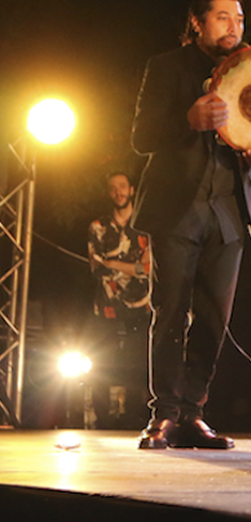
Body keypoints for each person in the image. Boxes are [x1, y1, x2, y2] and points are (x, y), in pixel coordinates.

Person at [132, 0, 251, 450]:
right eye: (221, 17)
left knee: (214, 319)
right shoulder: (167, 67)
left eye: (239, 18)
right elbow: (140, 137)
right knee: (170, 312)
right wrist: (186, 120)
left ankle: (193, 414)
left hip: (230, 211)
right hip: (178, 209)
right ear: (197, 22)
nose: (233, 26)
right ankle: (163, 416)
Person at [86, 171, 152, 428]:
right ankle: (101, 420)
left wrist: (115, 263)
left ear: (132, 189)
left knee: (139, 362)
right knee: (102, 361)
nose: (118, 192)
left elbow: (149, 268)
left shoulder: (147, 225)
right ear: (108, 192)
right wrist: (133, 267)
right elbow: (98, 267)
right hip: (107, 304)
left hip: (141, 304)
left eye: (123, 186)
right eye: (113, 188)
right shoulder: (98, 226)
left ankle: (137, 418)